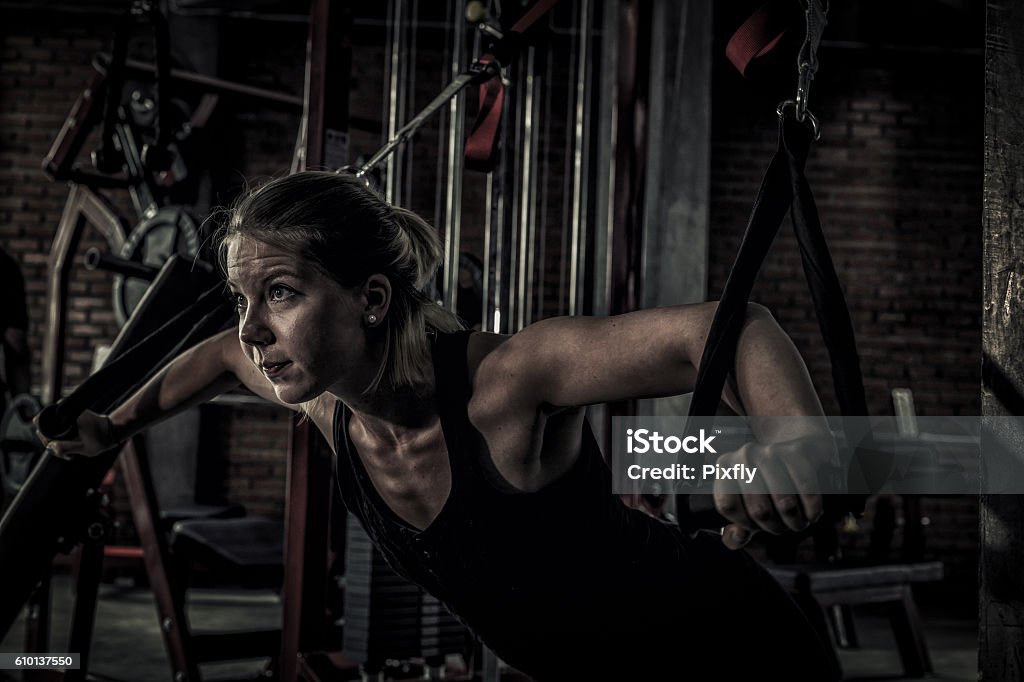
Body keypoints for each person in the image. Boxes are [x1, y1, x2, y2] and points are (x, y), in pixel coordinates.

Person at [37, 171, 839, 680]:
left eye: (279, 293)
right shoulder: (326, 405)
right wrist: (114, 425)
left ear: (372, 300)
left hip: (732, 651)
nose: (253, 330)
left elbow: (726, 329)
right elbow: (214, 356)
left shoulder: (506, 385)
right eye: (245, 299)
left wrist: (791, 438)